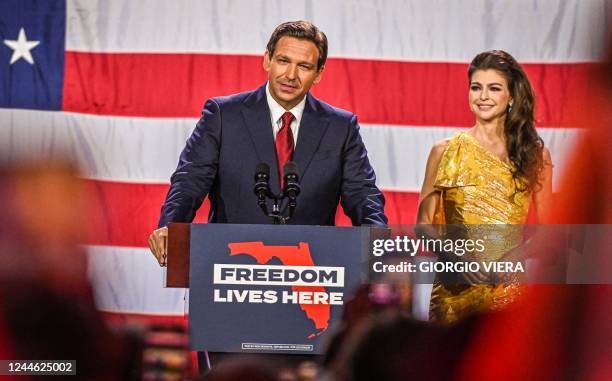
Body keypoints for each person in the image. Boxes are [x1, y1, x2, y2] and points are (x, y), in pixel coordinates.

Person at [148, 20, 387, 265]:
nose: (291, 75)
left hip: (311, 270)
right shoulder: (223, 115)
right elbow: (190, 181)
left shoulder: (340, 127)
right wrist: (171, 227)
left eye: (304, 66)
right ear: (267, 60)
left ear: (319, 73)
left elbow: (362, 195)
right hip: (231, 267)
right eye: (283, 61)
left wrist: (379, 241)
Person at [417, 50, 552, 325]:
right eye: (476, 87)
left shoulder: (533, 154)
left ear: (511, 95)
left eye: (494, 88)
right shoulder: (444, 150)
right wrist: (456, 258)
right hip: (453, 292)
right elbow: (423, 225)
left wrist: (514, 257)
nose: (483, 96)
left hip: (508, 291)